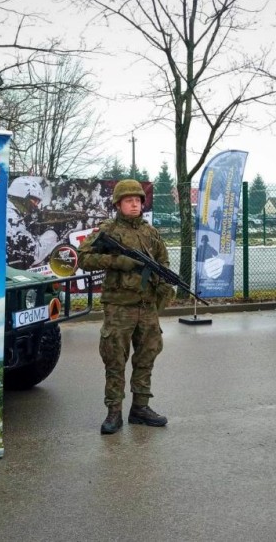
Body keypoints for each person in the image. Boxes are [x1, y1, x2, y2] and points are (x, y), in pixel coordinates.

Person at [78, 179, 175, 434]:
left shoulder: (150, 232)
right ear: (118, 204)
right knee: (115, 359)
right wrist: (117, 261)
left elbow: (163, 263)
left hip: (147, 306)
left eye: (138, 200)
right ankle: (113, 412)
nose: (134, 204)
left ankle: (140, 408)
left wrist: (164, 288)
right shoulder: (107, 231)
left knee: (146, 357)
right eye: (129, 200)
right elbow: (83, 258)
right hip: (119, 307)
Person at [6, 176, 44, 269]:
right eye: (34, 200)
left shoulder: (6, 209)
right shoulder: (13, 218)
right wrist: (52, 233)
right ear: (22, 194)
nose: (36, 205)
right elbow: (34, 256)